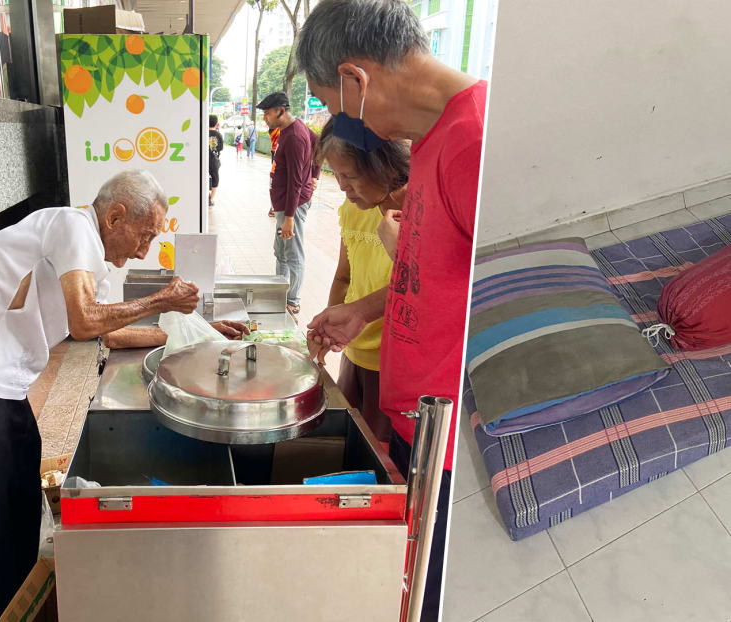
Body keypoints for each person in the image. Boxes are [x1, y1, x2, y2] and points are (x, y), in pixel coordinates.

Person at [0, 171, 246, 621]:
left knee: (19, 521)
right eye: (145, 235)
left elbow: (110, 333)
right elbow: (84, 321)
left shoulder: (88, 255)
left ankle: (18, 610)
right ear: (115, 216)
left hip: (2, 396)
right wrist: (162, 299)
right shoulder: (72, 227)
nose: (144, 250)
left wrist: (200, 334)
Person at [297, 1, 487, 619]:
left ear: (355, 80)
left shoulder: (475, 141)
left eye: (330, 102)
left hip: (452, 445)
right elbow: (433, 273)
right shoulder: (432, 142)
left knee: (426, 598)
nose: (338, 117)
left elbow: (503, 298)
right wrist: (366, 311)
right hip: (416, 427)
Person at [312, 118, 409, 442]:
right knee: (349, 438)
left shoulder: (416, 215)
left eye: (350, 176)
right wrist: (325, 329)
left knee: (382, 449)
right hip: (355, 351)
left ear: (384, 166)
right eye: (335, 174)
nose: (341, 186)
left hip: (395, 362)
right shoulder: (354, 208)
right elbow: (343, 275)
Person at [257, 91, 318, 316]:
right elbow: (319, 143)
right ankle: (279, 293)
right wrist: (316, 174)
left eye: (267, 113)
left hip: (292, 206)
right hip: (284, 205)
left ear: (280, 111)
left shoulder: (294, 137)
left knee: (293, 253)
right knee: (281, 250)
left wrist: (290, 217)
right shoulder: (290, 129)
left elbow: (295, 182)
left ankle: (292, 299)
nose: (265, 118)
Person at [209, 114, 224, 206]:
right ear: (216, 124)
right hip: (214, 161)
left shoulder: (203, 133)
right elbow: (221, 148)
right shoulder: (218, 135)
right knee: (215, 180)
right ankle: (210, 200)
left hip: (204, 161)